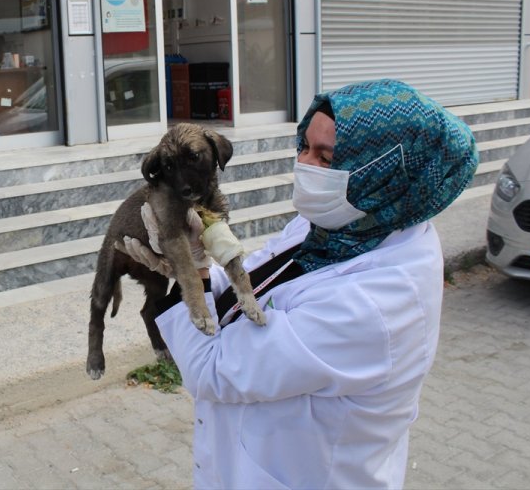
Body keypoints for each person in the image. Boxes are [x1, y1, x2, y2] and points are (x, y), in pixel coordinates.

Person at [123, 79, 479, 489]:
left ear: (386, 170)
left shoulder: (374, 304)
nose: (305, 165)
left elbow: (213, 370)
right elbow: (256, 279)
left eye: (326, 158)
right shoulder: (342, 225)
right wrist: (188, 260)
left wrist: (195, 272)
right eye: (304, 147)